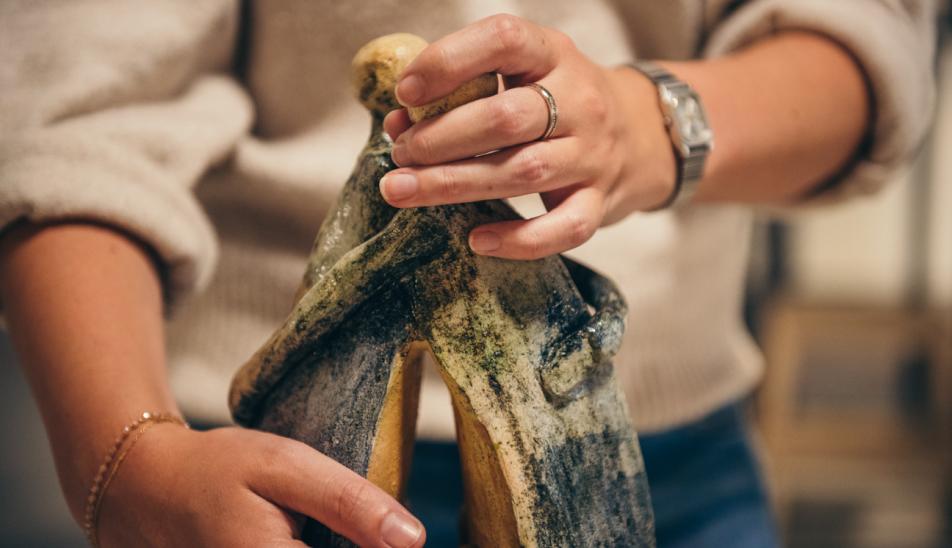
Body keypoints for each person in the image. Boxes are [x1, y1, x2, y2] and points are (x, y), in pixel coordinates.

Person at [0, 1, 935, 547]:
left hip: (663, 460)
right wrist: (119, 452)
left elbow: (867, 41)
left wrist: (647, 121)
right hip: (241, 477)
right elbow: (73, 107)